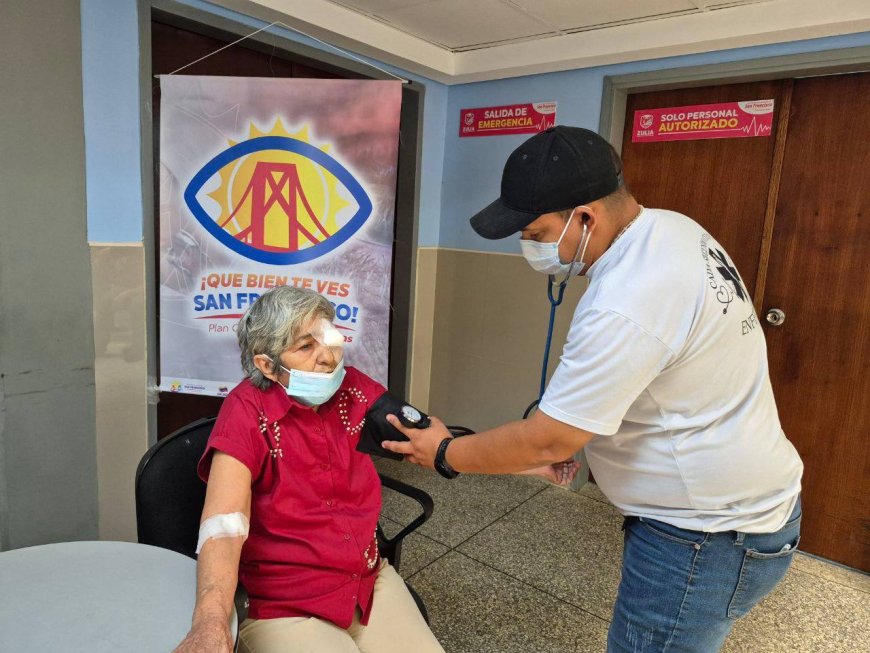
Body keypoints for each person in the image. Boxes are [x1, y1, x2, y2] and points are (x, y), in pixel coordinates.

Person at [383, 126, 803, 653]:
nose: (530, 247)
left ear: (585, 217)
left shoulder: (627, 299)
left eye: (536, 233)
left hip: (705, 534)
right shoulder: (674, 229)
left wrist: (444, 452)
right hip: (747, 505)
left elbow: (549, 439)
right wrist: (574, 439)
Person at [174, 286, 445, 653]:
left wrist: (461, 451)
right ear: (267, 365)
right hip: (286, 602)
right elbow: (224, 524)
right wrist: (210, 621)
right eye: (305, 347)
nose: (328, 357)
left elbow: (423, 435)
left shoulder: (353, 389)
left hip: (365, 581)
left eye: (328, 338)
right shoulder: (245, 412)